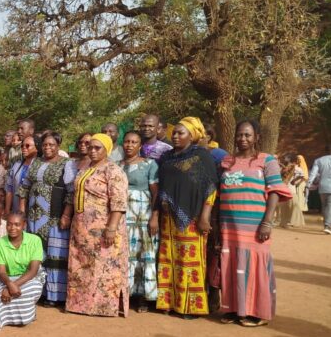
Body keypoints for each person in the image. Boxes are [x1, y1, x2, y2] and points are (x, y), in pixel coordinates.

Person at [218, 120, 292, 327]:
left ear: (256, 137)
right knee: (232, 266)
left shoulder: (267, 160)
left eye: (247, 135)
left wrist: (267, 222)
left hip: (254, 224)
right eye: (240, 135)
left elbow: (275, 191)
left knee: (255, 266)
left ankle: (256, 313)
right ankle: (234, 309)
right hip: (229, 224)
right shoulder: (227, 161)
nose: (243, 139)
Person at [156, 117, 219, 319]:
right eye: (174, 132)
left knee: (189, 261)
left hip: (192, 218)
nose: (175, 136)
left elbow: (210, 189)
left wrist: (205, 216)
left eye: (180, 133)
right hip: (168, 218)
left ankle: (191, 306)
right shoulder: (167, 157)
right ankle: (170, 302)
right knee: (169, 260)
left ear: (192, 136)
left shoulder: (201, 157)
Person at [65, 133, 129, 317]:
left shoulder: (113, 171)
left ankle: (104, 307)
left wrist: (111, 228)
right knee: (83, 266)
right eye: (90, 147)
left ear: (107, 149)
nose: (92, 151)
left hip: (103, 228)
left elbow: (119, 202)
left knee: (104, 266)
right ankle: (81, 305)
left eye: (97, 148)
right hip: (81, 228)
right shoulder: (85, 168)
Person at [19, 133, 70, 306]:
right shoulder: (36, 162)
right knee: (35, 253)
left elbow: (70, 192)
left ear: (58, 145)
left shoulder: (66, 164)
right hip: (33, 218)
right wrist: (21, 213)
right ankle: (36, 291)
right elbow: (24, 188)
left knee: (53, 254)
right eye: (45, 145)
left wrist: (66, 215)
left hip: (53, 217)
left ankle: (53, 295)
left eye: (52, 145)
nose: (47, 148)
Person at [119, 131, 159, 312]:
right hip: (122, 217)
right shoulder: (116, 165)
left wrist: (154, 217)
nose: (129, 145)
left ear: (140, 146)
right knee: (125, 254)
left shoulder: (149, 165)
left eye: (133, 142)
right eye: (126, 141)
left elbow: (156, 192)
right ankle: (124, 294)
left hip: (143, 217)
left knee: (144, 255)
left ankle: (143, 297)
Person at [0, 212, 45, 329]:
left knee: (31, 290)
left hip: (30, 277)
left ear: (24, 225)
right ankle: (6, 320)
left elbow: (33, 271)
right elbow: (1, 272)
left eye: (17, 224)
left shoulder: (35, 241)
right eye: (9, 224)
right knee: (2, 296)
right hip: (7, 278)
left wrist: (13, 286)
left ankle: (27, 317)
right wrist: (9, 284)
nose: (12, 228)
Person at [5, 136, 37, 215]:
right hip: (16, 211)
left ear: (37, 147)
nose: (24, 148)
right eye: (22, 146)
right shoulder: (16, 165)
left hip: (34, 212)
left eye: (27, 146)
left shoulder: (40, 166)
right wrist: (7, 209)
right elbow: (9, 189)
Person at [307, 143, 331, 235]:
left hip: (322, 186)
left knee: (325, 206)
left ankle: (327, 225)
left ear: (325, 151)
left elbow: (313, 174)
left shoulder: (319, 160)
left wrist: (308, 183)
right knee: (330, 205)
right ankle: (328, 225)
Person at [278, 152, 306, 228]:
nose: (284, 159)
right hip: (283, 187)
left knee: (293, 205)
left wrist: (295, 181)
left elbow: (302, 176)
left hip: (290, 188)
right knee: (284, 206)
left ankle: (293, 221)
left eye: (286, 157)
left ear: (290, 159)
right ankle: (284, 222)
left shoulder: (296, 168)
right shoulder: (283, 167)